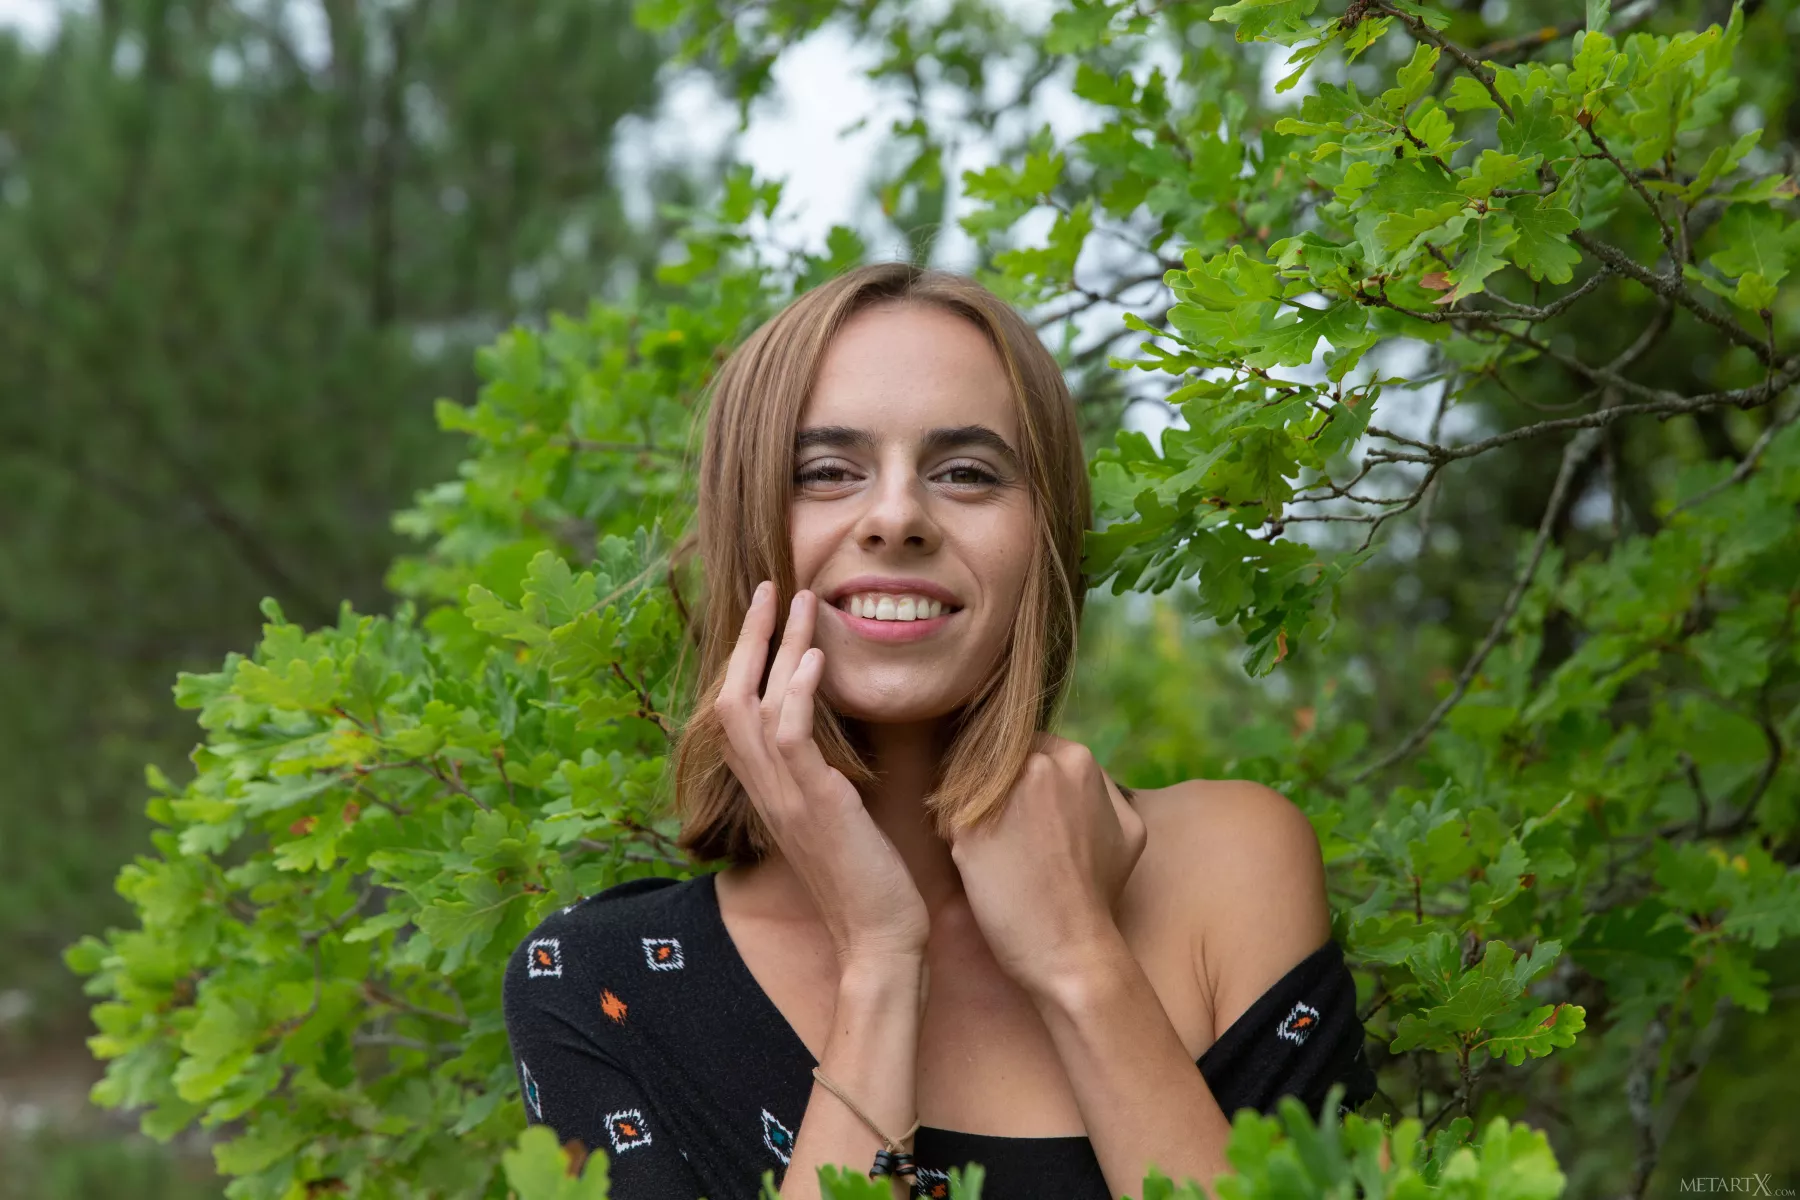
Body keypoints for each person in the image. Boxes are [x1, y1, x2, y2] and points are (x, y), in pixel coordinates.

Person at [501, 261, 1377, 1200]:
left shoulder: (1231, 868)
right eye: (825, 472)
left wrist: (1080, 963)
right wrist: (880, 961)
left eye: (966, 473)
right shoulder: (600, 983)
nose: (896, 518)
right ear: (747, 523)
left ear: (1046, 536)